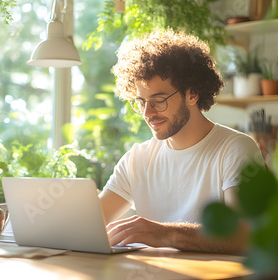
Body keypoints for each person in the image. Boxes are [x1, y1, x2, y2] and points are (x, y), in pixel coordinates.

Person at [99, 29, 263, 254]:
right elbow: (89, 223)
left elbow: (245, 237)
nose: (148, 113)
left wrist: (164, 234)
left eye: (158, 100)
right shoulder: (137, 160)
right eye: (141, 102)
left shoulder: (235, 150)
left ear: (192, 94)